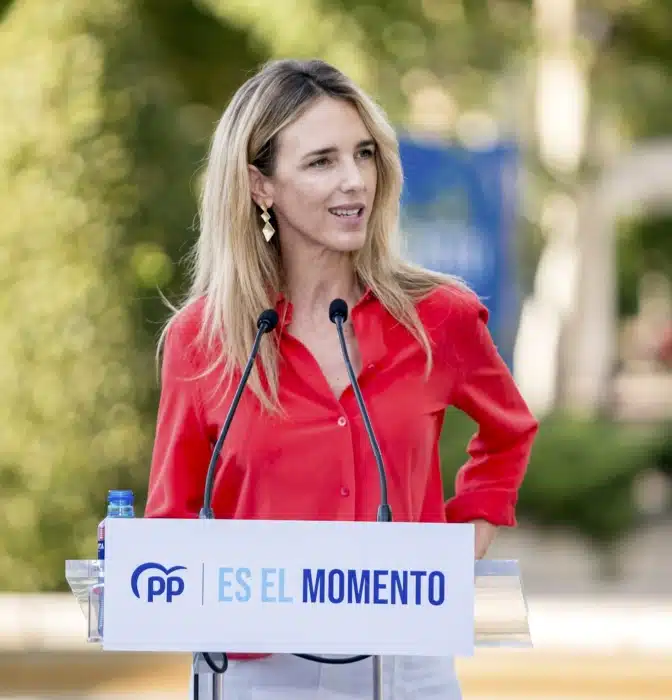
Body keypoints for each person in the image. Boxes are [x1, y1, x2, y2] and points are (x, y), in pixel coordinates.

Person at [144, 58, 539, 700]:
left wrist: (471, 528)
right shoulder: (202, 340)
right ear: (260, 185)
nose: (354, 180)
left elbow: (509, 430)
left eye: (364, 154)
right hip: (254, 673)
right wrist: (141, 562)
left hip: (407, 662)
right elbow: (172, 513)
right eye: (321, 161)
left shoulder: (440, 318)